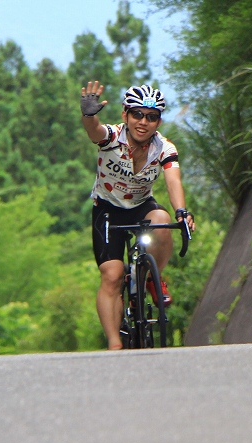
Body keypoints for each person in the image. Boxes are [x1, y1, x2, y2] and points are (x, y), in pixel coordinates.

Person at [80, 80, 195, 350]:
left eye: (152, 117)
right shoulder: (112, 137)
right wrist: (89, 115)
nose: (143, 122)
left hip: (141, 204)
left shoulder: (164, 148)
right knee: (112, 275)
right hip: (108, 208)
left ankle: (149, 278)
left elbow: (173, 180)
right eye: (137, 114)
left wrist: (181, 212)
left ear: (159, 121)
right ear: (125, 115)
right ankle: (114, 344)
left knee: (162, 220)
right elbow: (94, 131)